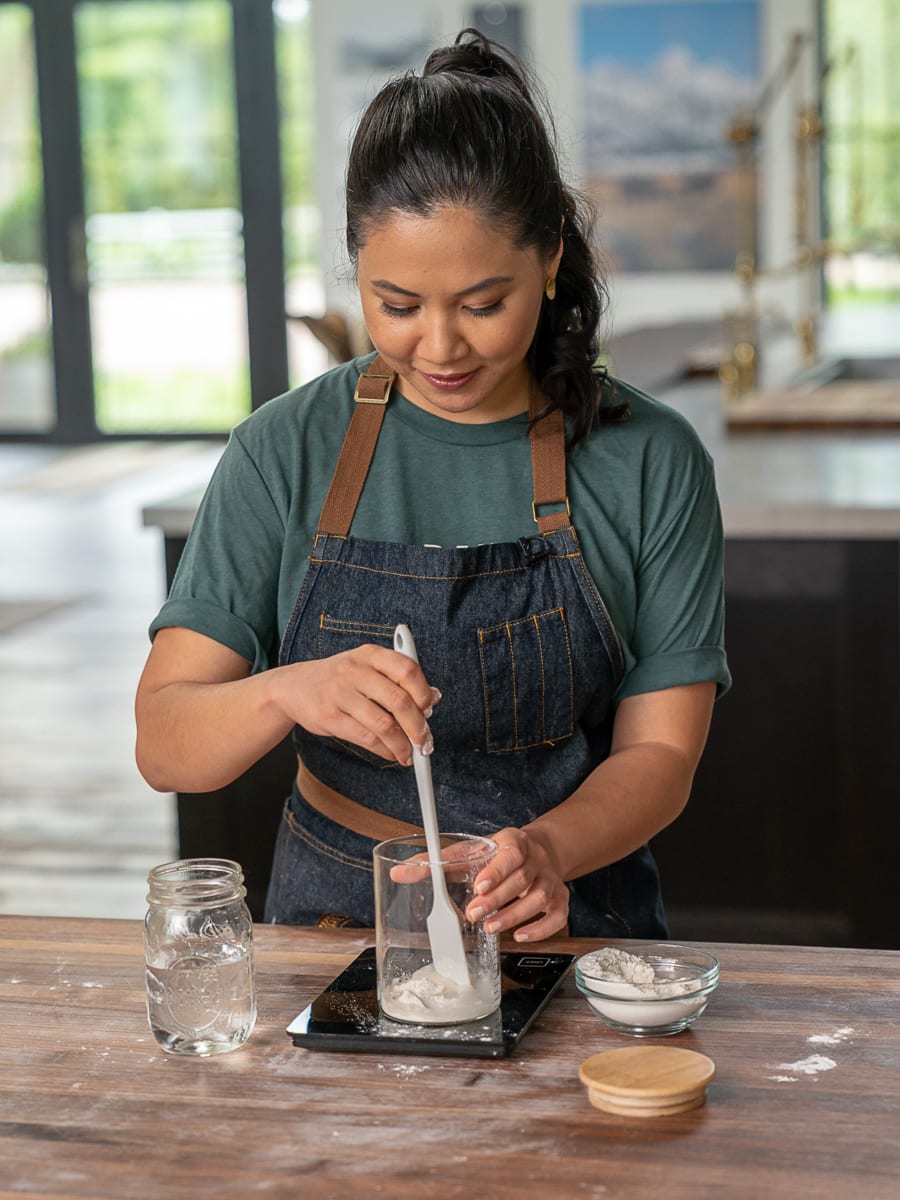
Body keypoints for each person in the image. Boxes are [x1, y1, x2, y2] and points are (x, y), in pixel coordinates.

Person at [135, 28, 730, 941]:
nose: (440, 348)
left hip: (568, 926)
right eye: (397, 306)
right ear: (357, 271)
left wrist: (551, 849)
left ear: (552, 261)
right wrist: (283, 691)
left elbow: (661, 752)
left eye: (484, 304)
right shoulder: (282, 449)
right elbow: (166, 744)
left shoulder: (648, 458)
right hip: (338, 931)